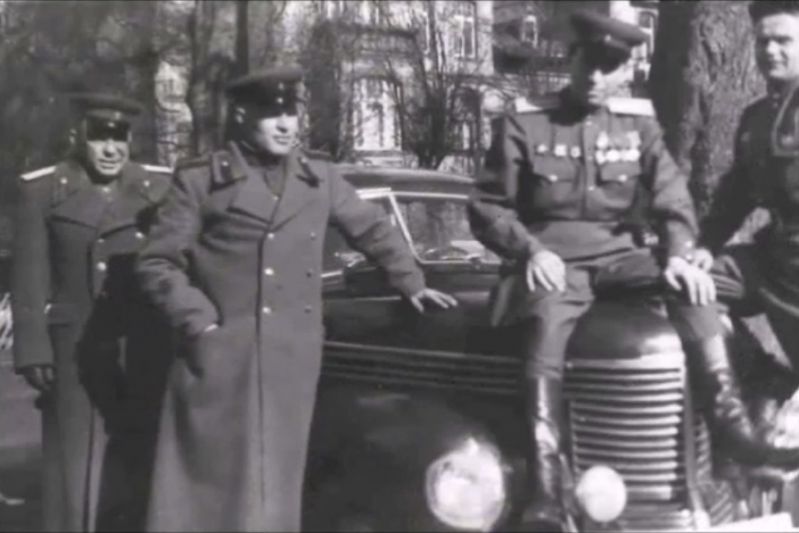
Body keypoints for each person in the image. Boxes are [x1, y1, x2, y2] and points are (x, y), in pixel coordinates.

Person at [468, 10, 799, 532]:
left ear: (625, 71)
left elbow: (672, 200)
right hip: (555, 260)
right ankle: (548, 485)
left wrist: (682, 254)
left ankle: (731, 427)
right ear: (570, 60)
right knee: (547, 323)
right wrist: (529, 251)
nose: (596, 76)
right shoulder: (524, 122)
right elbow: (487, 206)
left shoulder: (637, 123)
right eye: (587, 62)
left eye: (610, 66)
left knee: (691, 285)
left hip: (620, 256)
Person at [136, 65, 456, 532]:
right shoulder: (203, 180)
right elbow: (157, 261)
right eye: (273, 115)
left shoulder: (318, 176)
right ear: (242, 115)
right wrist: (200, 321)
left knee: (277, 487)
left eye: (292, 113)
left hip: (292, 356)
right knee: (213, 487)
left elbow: (373, 227)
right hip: (224, 356)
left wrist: (412, 282)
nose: (287, 125)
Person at [10, 93, 173, 531]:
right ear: (77, 136)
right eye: (100, 137)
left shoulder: (158, 188)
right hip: (73, 349)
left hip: (141, 346)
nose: (111, 149)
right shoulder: (43, 190)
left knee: (140, 458)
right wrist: (33, 348)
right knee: (76, 463)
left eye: (120, 138)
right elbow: (29, 276)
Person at [693, 2, 799, 385]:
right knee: (686, 282)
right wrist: (705, 245)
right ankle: (766, 378)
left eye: (783, 40)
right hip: (771, 260)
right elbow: (737, 193)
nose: (770, 50)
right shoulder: (757, 116)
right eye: (762, 41)